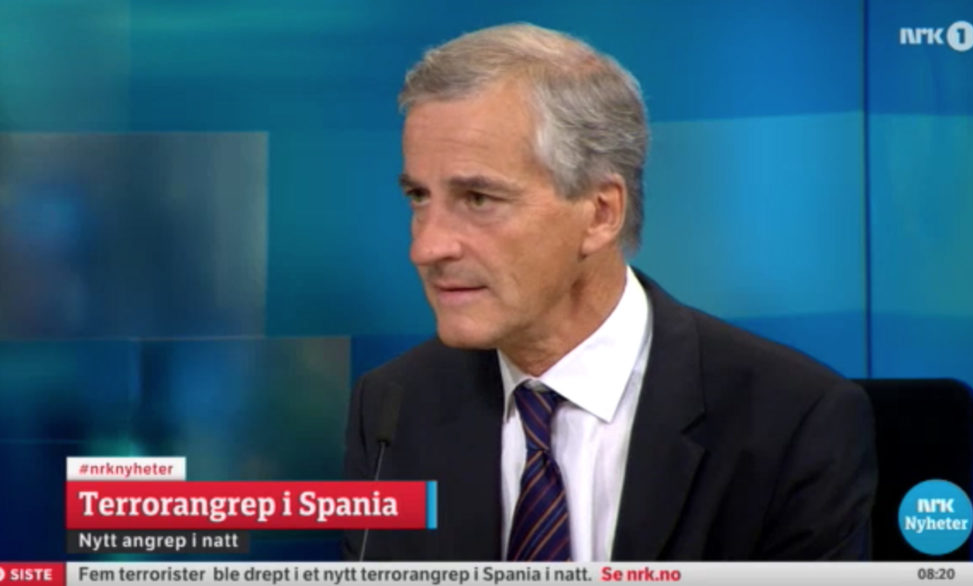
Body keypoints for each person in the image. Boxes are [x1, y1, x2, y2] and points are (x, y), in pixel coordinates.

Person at [343, 23, 876, 561]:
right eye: (419, 197)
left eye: (478, 198)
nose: (426, 247)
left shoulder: (792, 420)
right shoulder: (393, 408)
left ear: (601, 213)